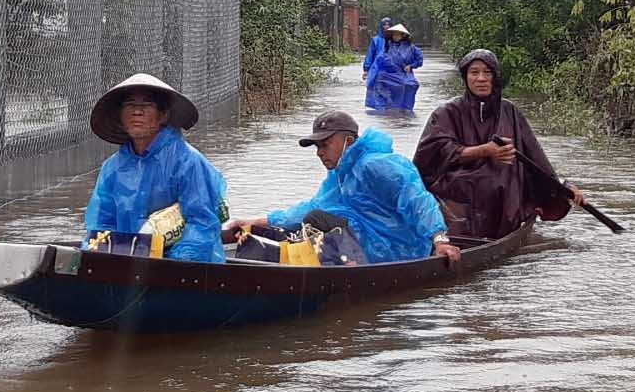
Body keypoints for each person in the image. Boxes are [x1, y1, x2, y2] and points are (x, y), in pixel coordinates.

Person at [226, 111, 461, 265]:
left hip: (400, 248)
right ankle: (336, 260)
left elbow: (418, 200)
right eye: (317, 146)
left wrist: (440, 240)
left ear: (348, 140)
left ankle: (350, 266)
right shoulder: (340, 173)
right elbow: (313, 206)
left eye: (325, 144)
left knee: (316, 220)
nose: (319, 152)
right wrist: (255, 222)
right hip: (368, 240)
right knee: (309, 219)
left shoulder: (377, 165)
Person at [413, 49, 585, 241]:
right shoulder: (446, 113)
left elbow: (535, 160)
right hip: (457, 184)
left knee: (500, 178)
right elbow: (431, 156)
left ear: (495, 77)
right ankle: (450, 237)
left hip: (501, 188)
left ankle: (499, 231)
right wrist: (484, 151)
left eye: (487, 72)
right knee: (469, 185)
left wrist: (564, 187)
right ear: (465, 77)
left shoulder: (510, 112)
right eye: (474, 72)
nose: (481, 79)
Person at [82, 72, 228, 263]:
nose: (137, 112)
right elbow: (101, 225)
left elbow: (203, 223)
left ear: (163, 115)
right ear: (120, 115)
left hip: (187, 270)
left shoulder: (188, 163)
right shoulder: (112, 169)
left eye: (146, 105)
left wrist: (173, 265)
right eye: (130, 105)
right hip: (129, 265)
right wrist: (97, 256)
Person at [365, 22, 423, 113]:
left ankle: (406, 110)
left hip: (403, 74)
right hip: (389, 74)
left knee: (410, 84)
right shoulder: (387, 47)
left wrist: (411, 66)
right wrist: (369, 72)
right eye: (394, 35)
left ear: (403, 35)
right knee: (379, 81)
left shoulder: (412, 48)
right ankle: (385, 109)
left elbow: (419, 61)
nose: (395, 37)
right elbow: (378, 61)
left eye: (397, 35)